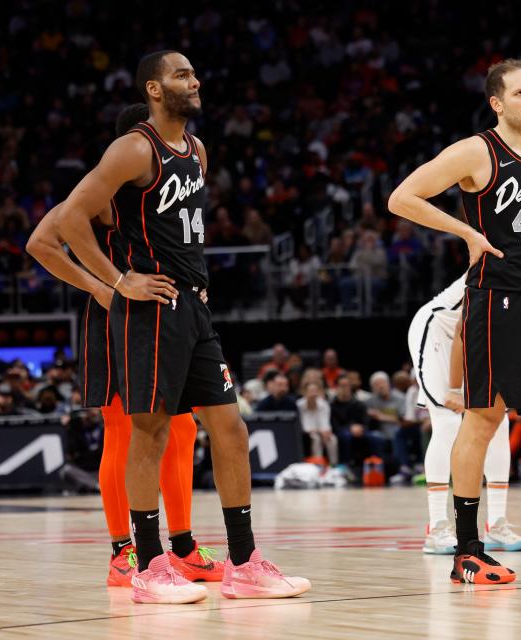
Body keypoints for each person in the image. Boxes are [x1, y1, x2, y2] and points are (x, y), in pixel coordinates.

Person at [55, 50, 308, 603]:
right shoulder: (134, 147)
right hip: (148, 310)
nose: (193, 82)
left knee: (230, 429)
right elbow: (70, 219)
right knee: (148, 433)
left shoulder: (196, 150)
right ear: (153, 88)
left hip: (193, 307)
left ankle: (243, 562)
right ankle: (148, 566)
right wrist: (119, 281)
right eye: (180, 75)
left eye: (194, 73)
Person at [389, 58, 521, 583]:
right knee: (483, 419)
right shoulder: (476, 151)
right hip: (494, 300)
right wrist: (465, 233)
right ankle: (467, 548)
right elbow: (403, 197)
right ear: (497, 103)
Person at [26, 102, 223, 588]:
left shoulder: (179, 173)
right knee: (123, 431)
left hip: (166, 314)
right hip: (117, 316)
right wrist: (102, 285)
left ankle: (181, 546)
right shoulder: (107, 185)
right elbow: (40, 242)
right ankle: (123, 551)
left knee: (181, 430)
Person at [407, 276, 521, 555]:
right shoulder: (500, 264)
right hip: (440, 329)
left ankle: (497, 525)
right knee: (448, 423)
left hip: (481, 337)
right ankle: (437, 527)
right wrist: (453, 388)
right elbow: (463, 330)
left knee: (497, 422)